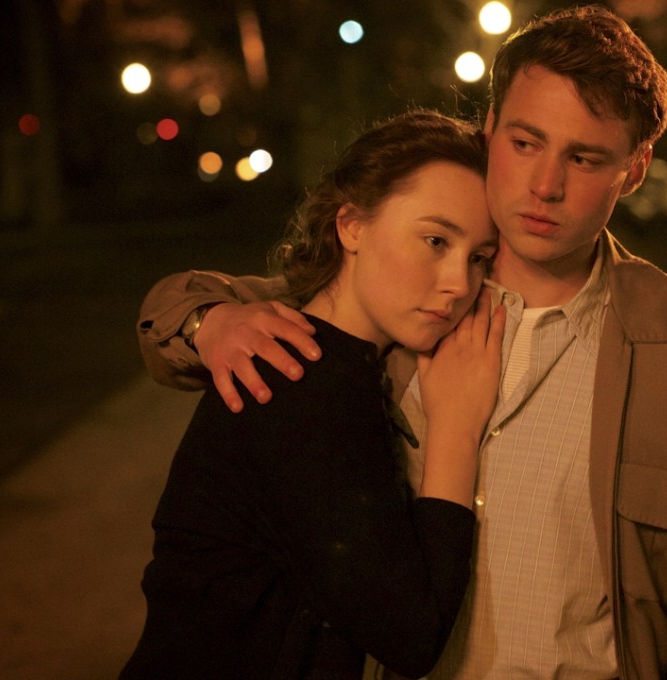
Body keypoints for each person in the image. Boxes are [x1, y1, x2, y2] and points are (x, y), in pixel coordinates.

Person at [136, 6, 667, 678]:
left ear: (634, 170)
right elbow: (227, 312)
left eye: (584, 158)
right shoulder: (414, 299)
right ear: (489, 128)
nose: (545, 186)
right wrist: (207, 321)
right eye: (525, 143)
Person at [121, 109, 505, 679]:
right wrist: (456, 431)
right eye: (434, 239)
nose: (458, 283)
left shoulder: (336, 360)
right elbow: (412, 634)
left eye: (478, 257)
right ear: (351, 226)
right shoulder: (298, 375)